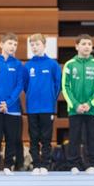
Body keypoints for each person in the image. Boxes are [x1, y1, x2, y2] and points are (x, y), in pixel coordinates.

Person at [61, 34, 94, 175]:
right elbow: (65, 87)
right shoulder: (70, 64)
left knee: (92, 137)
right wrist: (75, 105)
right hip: (75, 110)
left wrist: (90, 104)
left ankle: (92, 164)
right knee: (74, 136)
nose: (87, 46)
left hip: (92, 109)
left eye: (89, 44)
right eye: (84, 44)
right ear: (77, 46)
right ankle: (73, 164)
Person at [0, 32, 24, 176]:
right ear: (1, 44)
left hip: (12, 109)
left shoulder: (19, 65)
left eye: (15, 44)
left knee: (11, 138)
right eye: (10, 43)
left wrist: (7, 103)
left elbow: (19, 86)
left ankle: (8, 165)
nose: (13, 46)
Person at [23, 33, 61, 175]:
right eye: (32, 44)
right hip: (32, 108)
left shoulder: (52, 64)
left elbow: (58, 85)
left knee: (46, 138)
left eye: (37, 44)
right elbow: (25, 86)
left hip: (47, 107)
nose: (34, 47)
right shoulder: (28, 65)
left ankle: (45, 164)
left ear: (44, 45)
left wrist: (51, 99)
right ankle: (36, 164)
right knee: (33, 138)